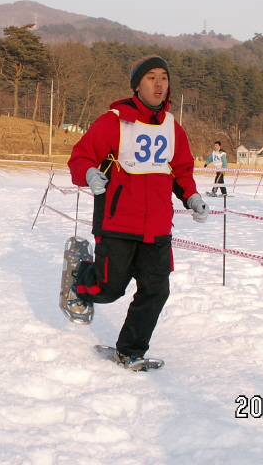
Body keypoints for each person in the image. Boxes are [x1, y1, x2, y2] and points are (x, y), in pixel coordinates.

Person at [68, 55, 209, 367]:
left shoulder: (174, 128)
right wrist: (89, 174)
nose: (159, 84)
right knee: (108, 289)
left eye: (163, 77)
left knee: (156, 291)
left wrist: (192, 197)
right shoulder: (114, 121)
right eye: (151, 78)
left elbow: (181, 171)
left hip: (157, 226)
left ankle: (130, 351)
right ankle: (79, 277)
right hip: (119, 221)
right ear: (137, 85)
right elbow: (81, 156)